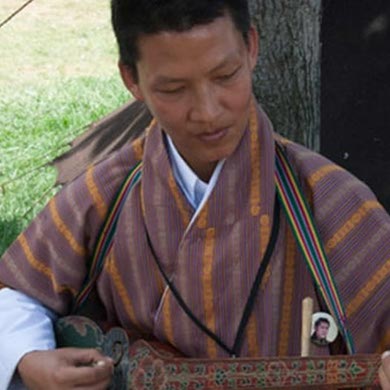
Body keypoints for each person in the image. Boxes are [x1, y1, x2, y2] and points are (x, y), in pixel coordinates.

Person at [0, 0, 389, 388]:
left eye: (225, 76)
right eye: (173, 89)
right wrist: (28, 358)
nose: (207, 112)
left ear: (251, 47)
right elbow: (18, 292)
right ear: (131, 79)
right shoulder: (106, 195)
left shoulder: (330, 202)